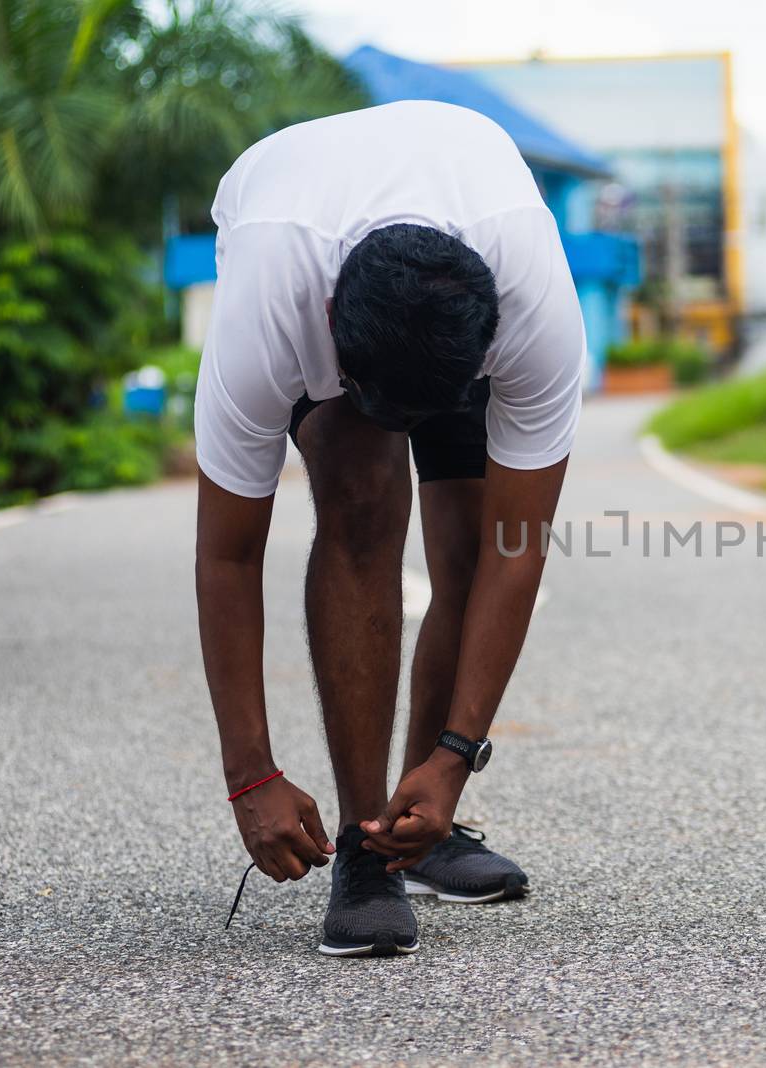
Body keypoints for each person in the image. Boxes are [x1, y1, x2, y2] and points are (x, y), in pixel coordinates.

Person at [194, 101, 583, 957]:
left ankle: (426, 821)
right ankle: (367, 849)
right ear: (331, 327)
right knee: (363, 484)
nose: (407, 424)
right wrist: (249, 775)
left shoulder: (535, 309)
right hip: (301, 233)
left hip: (460, 263)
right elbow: (226, 555)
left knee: (469, 537)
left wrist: (456, 754)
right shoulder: (271, 303)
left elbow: (513, 557)